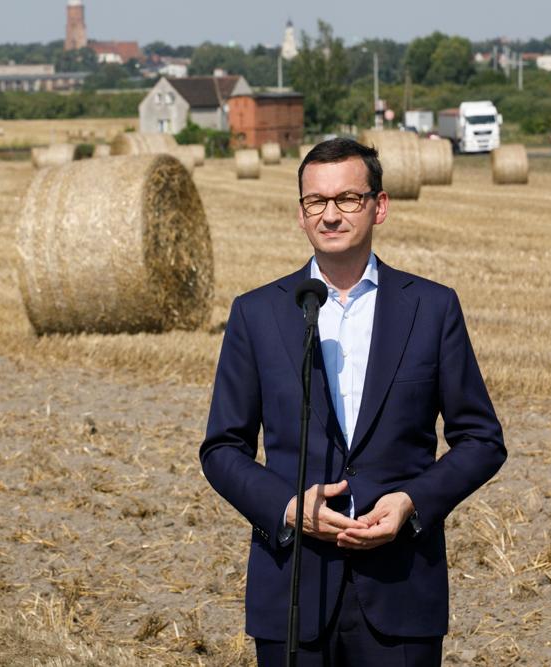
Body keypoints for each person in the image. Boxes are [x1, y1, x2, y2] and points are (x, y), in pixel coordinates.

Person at [200, 138, 505, 666]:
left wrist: (412, 503)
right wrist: (289, 507)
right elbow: (222, 448)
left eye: (347, 199)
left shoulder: (432, 308)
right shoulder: (256, 314)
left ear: (379, 206)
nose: (330, 215)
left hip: (401, 588)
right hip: (293, 593)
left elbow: (481, 439)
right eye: (316, 201)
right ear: (301, 214)